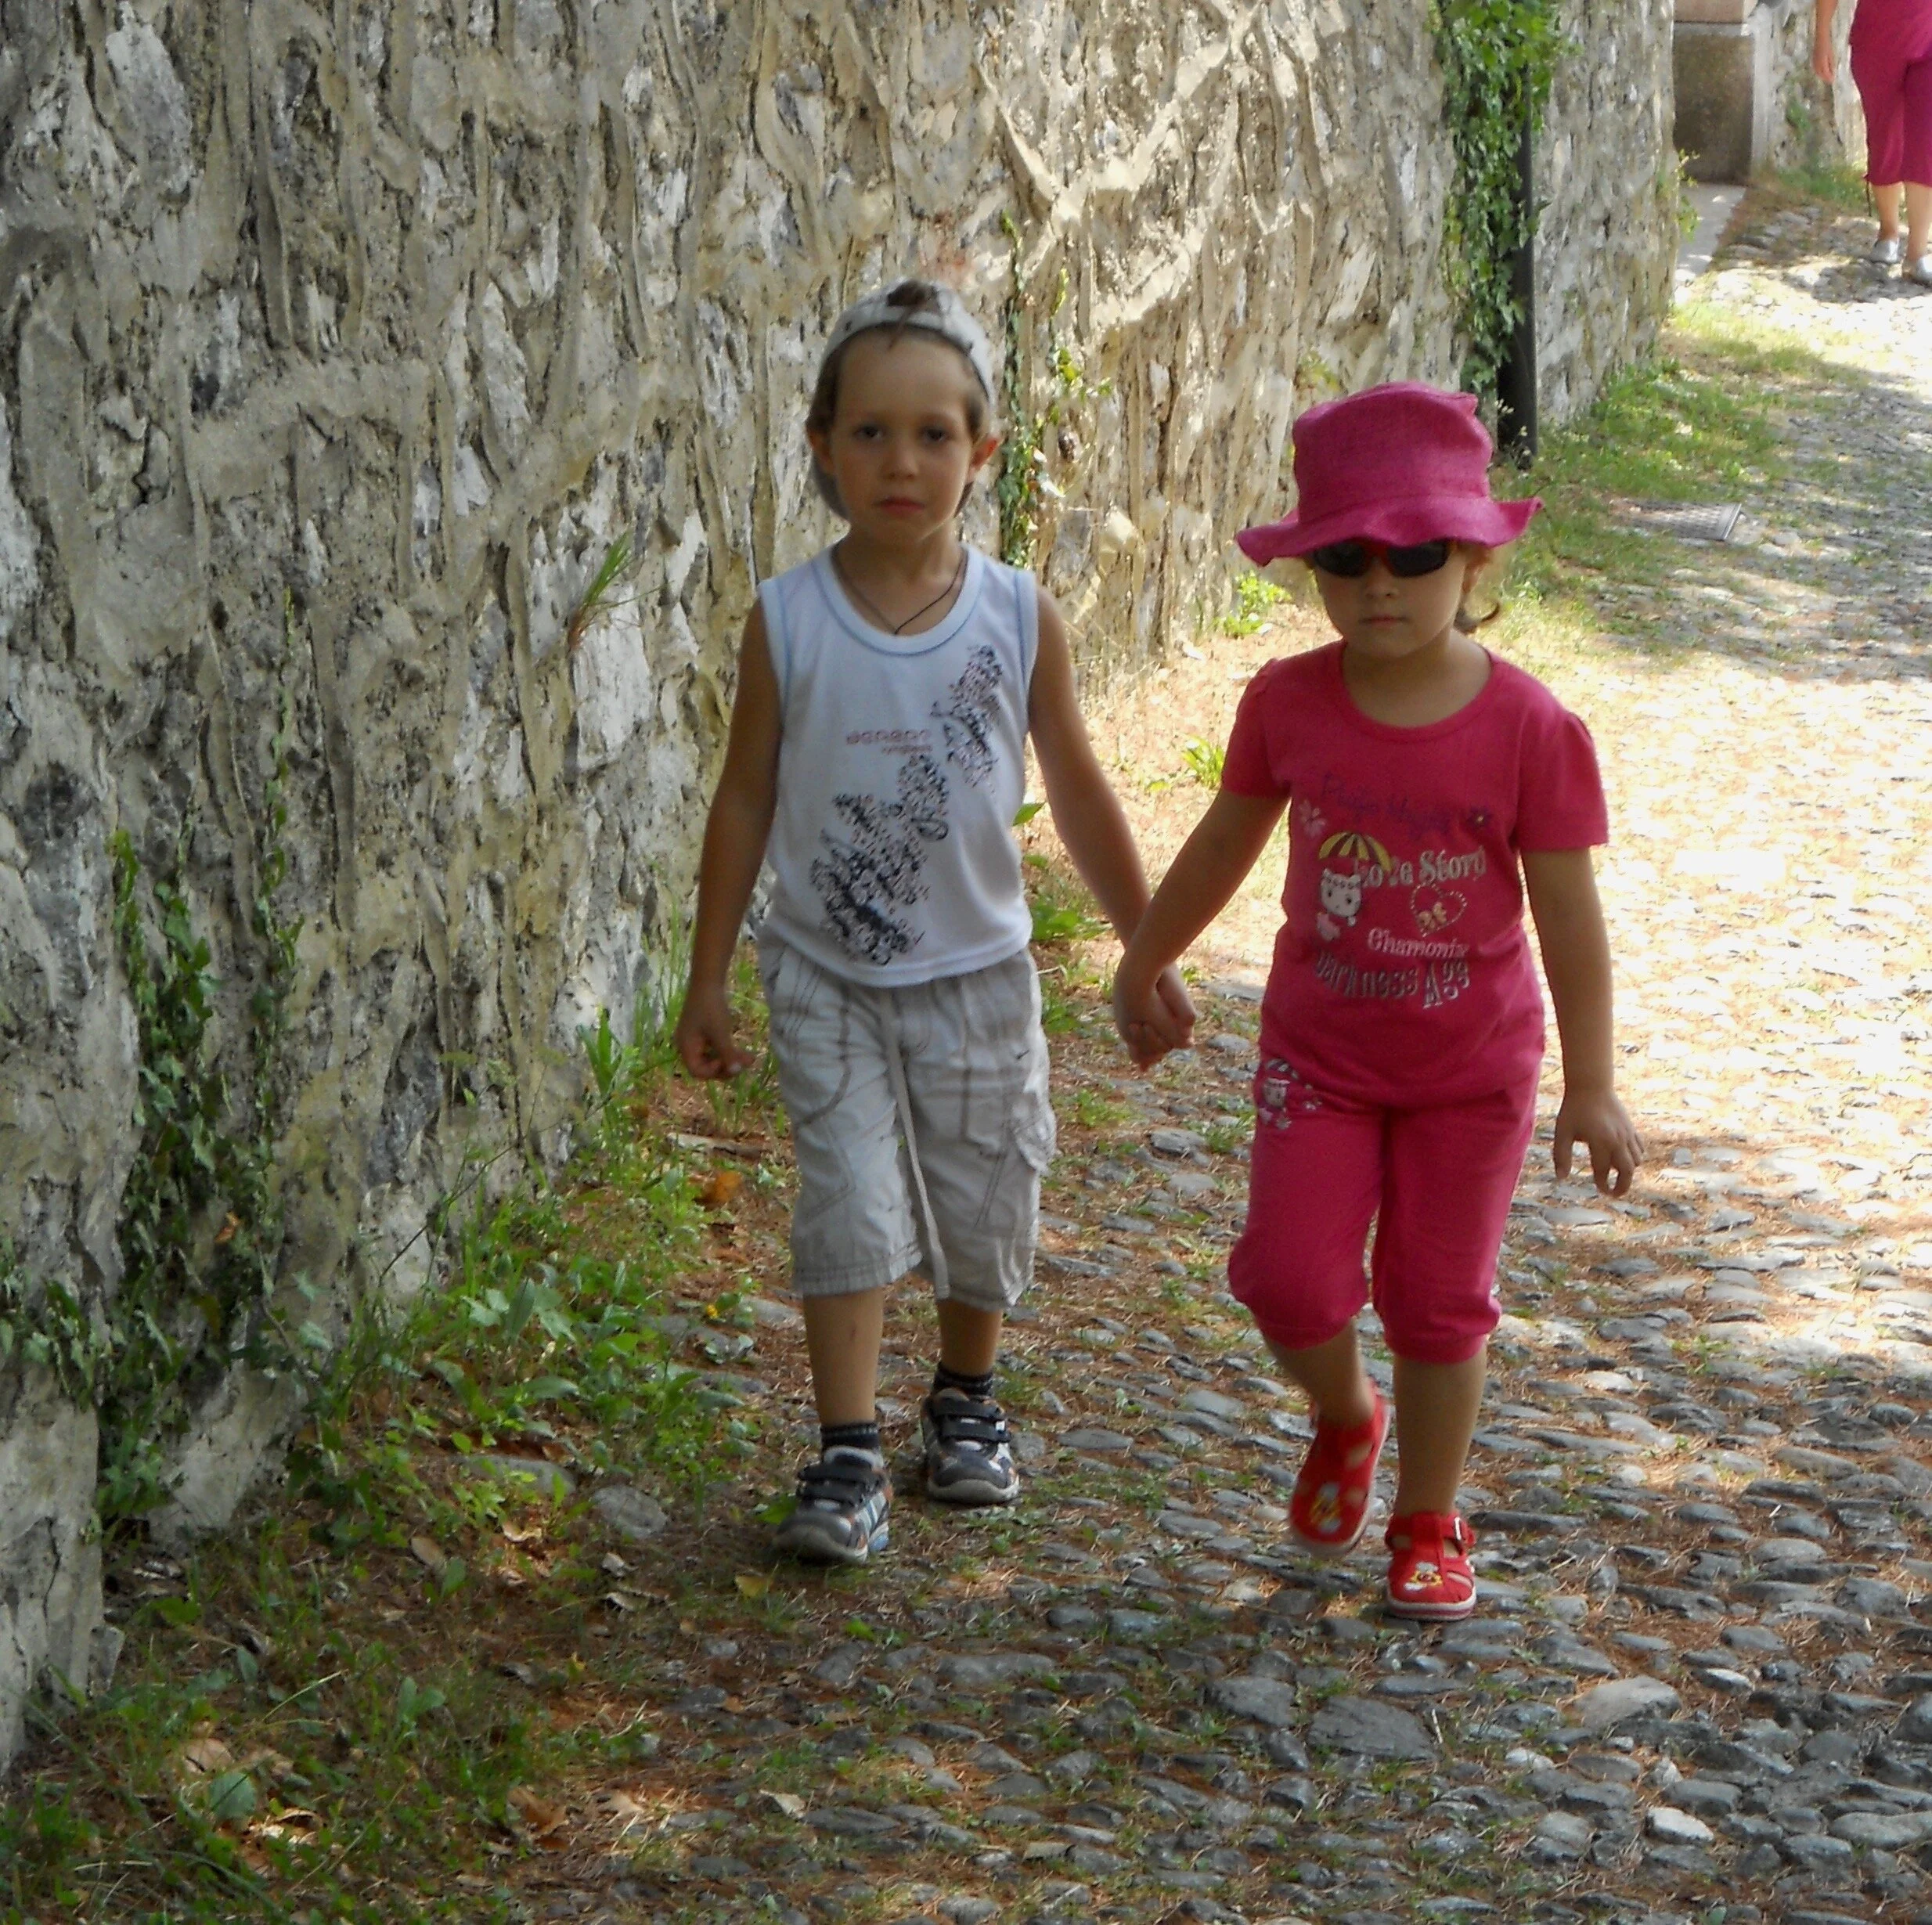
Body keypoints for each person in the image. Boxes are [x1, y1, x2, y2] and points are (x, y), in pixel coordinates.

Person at [676, 279, 1191, 1566]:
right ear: (820, 446)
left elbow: (1072, 781)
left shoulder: (1016, 615)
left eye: (931, 434)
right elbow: (742, 801)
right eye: (867, 432)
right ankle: (844, 1450)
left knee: (982, 1192)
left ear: (982, 451)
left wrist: (1145, 942)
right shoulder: (785, 621)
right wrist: (706, 977)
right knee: (847, 1199)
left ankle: (963, 1399)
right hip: (824, 973)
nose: (898, 460)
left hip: (975, 974)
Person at [1112, 384, 1642, 1623]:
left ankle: (1429, 1514)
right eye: (1346, 557)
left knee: (1440, 1300)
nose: (1381, 582)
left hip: (1472, 1071)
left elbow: (1569, 919)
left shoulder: (1530, 727)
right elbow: (1220, 846)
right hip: (1324, 1061)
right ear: (1313, 569)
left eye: (1415, 553)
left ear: (1475, 556)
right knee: (1289, 1282)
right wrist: (1141, 956)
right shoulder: (1285, 706)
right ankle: (1349, 1413)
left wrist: (1593, 1078)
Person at [1815, 0, 1932, 283]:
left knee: (1926, 141)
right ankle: (1889, 230)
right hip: (1877, 40)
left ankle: (1917, 252)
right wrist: (1822, 38)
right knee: (1884, 138)